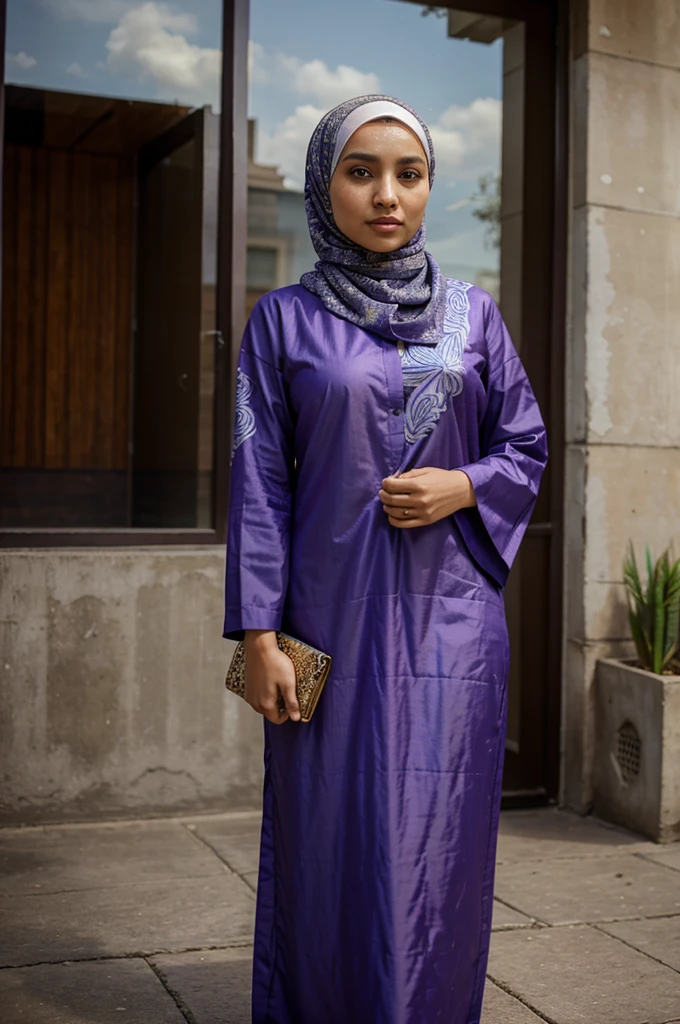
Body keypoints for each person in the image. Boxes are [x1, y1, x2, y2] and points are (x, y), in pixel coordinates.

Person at [223, 94, 548, 1024]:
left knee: (438, 847)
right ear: (328, 184)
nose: (386, 194)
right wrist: (258, 633)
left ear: (430, 185)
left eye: (409, 174)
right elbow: (258, 486)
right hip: (327, 622)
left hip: (451, 628)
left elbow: (525, 445)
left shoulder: (472, 317)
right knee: (331, 839)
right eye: (361, 171)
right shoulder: (281, 322)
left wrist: (466, 484)